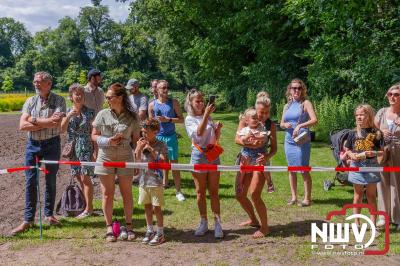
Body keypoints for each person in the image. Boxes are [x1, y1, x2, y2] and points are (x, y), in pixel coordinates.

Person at [12, 71, 66, 235]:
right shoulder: (30, 101)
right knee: (30, 181)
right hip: (32, 145)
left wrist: (33, 120)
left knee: (50, 180)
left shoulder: (59, 100)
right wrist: (46, 122)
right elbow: (22, 125)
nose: (35, 84)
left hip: (52, 145)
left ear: (49, 84)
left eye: (39, 82)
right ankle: (28, 220)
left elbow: (56, 123)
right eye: (34, 81)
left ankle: (49, 215)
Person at [92, 83, 140, 242]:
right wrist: (107, 141)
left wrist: (137, 161)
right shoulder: (102, 114)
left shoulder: (133, 117)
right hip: (105, 157)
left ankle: (129, 225)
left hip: (126, 156)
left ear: (119, 98)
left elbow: (136, 141)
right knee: (107, 193)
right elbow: (93, 135)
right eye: (106, 97)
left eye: (109, 97)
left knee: (127, 192)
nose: (107, 99)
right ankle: (109, 228)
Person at [235, 92, 277, 238]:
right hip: (245, 158)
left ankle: (265, 228)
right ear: (255, 110)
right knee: (239, 194)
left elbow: (274, 148)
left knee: (254, 194)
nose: (263, 115)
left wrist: (266, 156)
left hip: (260, 160)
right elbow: (237, 139)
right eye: (260, 113)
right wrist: (246, 141)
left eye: (266, 113)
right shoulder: (247, 119)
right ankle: (253, 219)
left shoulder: (270, 125)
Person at [184, 88, 224, 238]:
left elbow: (213, 137)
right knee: (200, 192)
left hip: (212, 154)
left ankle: (218, 223)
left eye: (202, 100)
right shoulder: (189, 119)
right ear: (191, 103)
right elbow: (199, 134)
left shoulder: (209, 117)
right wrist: (207, 114)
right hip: (198, 155)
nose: (201, 103)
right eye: (197, 101)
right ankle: (203, 222)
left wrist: (217, 130)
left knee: (214, 191)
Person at [343, 104, 383, 225]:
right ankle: (357, 222)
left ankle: (373, 225)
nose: (359, 117)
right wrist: (351, 155)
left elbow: (382, 151)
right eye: (357, 115)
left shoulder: (376, 133)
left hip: (371, 166)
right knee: (357, 195)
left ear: (369, 115)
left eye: (362, 114)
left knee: (371, 196)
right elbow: (347, 148)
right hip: (356, 166)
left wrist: (374, 152)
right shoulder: (353, 133)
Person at [280, 79, 317, 207]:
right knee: (291, 169)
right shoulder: (287, 105)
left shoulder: (305, 103)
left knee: (303, 168)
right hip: (289, 141)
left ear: (303, 90)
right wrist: (285, 124)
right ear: (289, 89)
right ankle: (294, 197)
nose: (296, 90)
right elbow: (281, 123)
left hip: (301, 140)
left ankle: (307, 198)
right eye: (294, 88)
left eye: (299, 88)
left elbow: (314, 120)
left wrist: (300, 125)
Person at [61, 84, 95, 219]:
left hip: (86, 147)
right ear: (71, 97)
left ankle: (89, 209)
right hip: (73, 149)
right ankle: (86, 205)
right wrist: (68, 116)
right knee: (78, 177)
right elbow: (62, 130)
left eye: (81, 94)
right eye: (76, 94)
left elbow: (94, 132)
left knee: (85, 177)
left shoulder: (90, 112)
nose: (79, 96)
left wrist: (95, 151)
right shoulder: (67, 111)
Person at [148, 80, 186, 201]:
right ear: (157, 90)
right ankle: (157, 188)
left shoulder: (173, 102)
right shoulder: (152, 105)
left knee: (174, 164)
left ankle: (178, 191)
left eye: (167, 87)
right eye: (163, 88)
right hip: (157, 138)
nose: (166, 90)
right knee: (158, 164)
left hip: (170, 137)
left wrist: (168, 119)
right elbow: (150, 124)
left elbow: (181, 119)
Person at [135, 118, 167, 245]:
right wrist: (138, 149)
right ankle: (149, 230)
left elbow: (163, 162)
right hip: (143, 181)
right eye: (142, 132)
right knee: (147, 207)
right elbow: (137, 162)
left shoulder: (161, 145)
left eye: (147, 133)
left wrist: (152, 150)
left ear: (156, 132)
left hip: (156, 181)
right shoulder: (140, 143)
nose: (144, 135)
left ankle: (160, 233)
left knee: (156, 208)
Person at [375, 83, 400, 230]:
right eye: (390, 94)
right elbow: (374, 126)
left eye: (396, 95)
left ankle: (397, 218)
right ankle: (383, 218)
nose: (393, 97)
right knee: (382, 183)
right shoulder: (382, 112)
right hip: (383, 151)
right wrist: (381, 131)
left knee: (397, 184)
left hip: (398, 150)